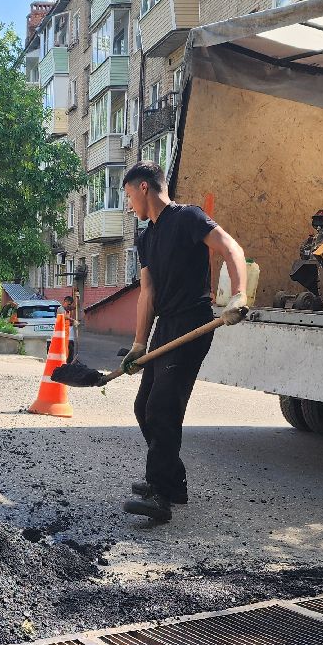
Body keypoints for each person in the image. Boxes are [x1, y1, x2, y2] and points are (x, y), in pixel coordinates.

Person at [119, 160, 247, 523]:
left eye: (128, 195)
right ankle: (173, 481)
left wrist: (238, 295)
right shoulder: (146, 237)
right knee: (143, 407)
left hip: (193, 323)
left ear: (144, 187)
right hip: (166, 325)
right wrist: (139, 345)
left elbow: (231, 248)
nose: (129, 204)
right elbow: (148, 292)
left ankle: (160, 494)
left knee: (162, 407)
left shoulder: (188, 217)